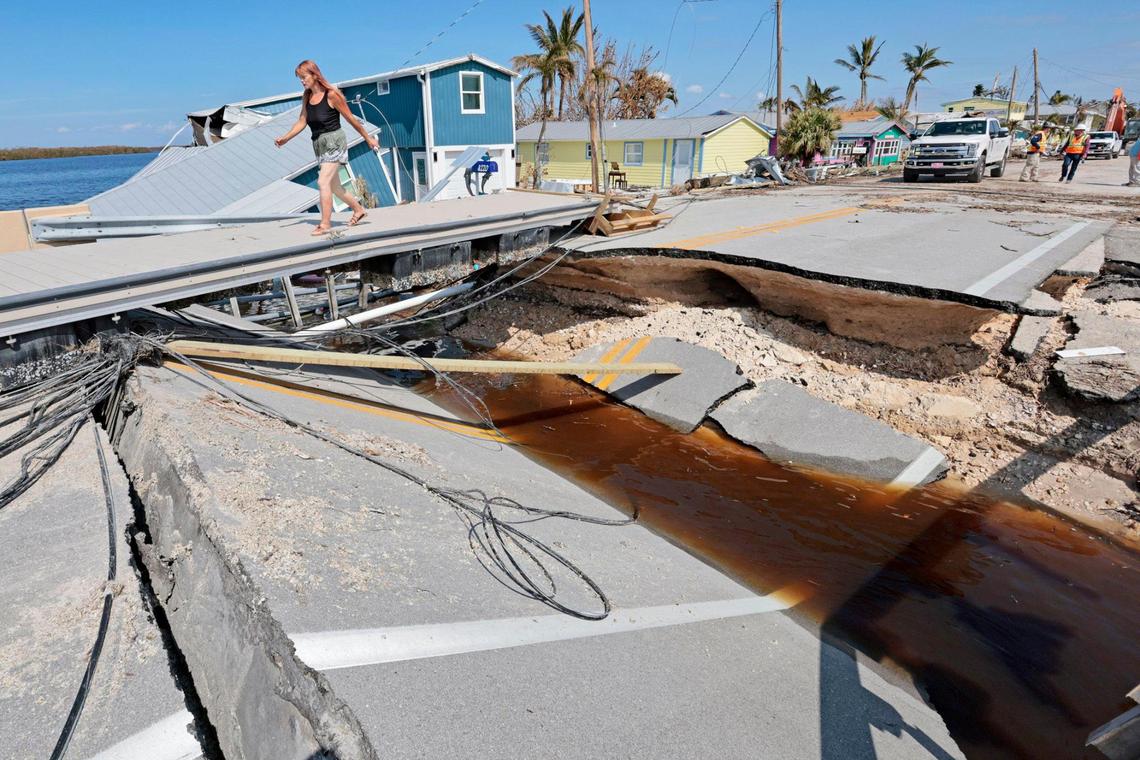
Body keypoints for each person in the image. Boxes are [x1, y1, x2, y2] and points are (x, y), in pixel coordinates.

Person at [275, 60, 379, 235]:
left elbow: (351, 119)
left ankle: (325, 224)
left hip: (334, 141)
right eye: (299, 78)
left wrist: (367, 137)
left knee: (322, 182)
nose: (301, 81)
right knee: (335, 187)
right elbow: (302, 121)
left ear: (315, 75)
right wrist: (286, 138)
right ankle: (359, 209)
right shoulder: (307, 96)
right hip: (319, 144)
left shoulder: (332, 95)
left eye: (303, 77)